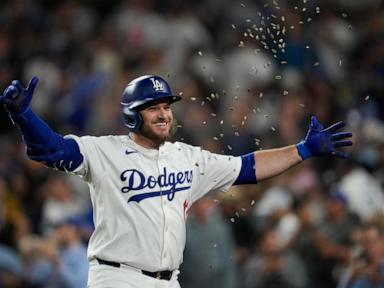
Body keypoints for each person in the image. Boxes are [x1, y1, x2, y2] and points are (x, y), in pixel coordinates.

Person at [0, 75, 353, 288]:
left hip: (169, 280)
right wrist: (25, 116)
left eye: (167, 105)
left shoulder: (187, 157)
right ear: (131, 115)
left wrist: (303, 150)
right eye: (153, 107)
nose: (164, 113)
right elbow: (51, 149)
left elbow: (248, 168)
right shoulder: (104, 152)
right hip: (117, 277)